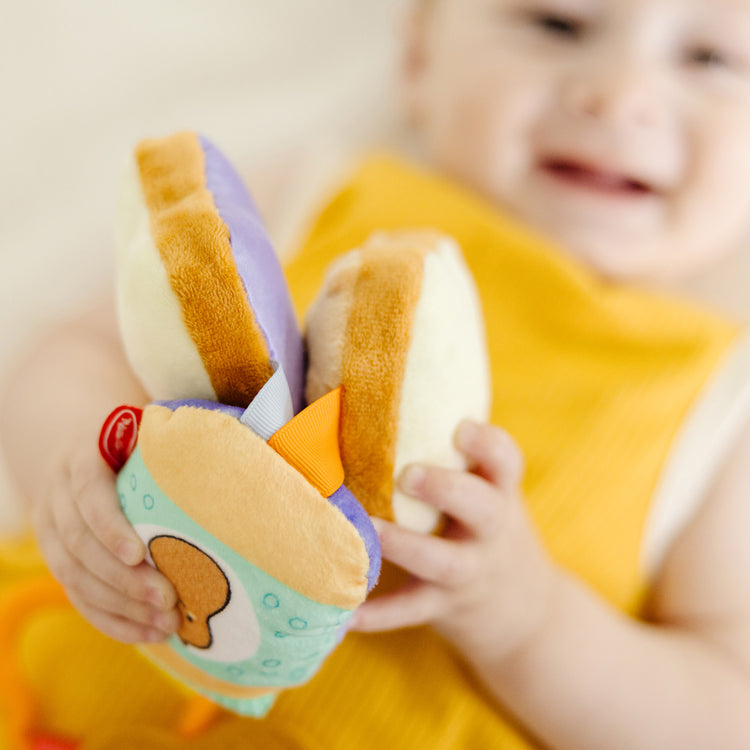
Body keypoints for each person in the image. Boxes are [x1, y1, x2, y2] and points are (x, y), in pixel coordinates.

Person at [2, 0, 750, 747]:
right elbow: (73, 354)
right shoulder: (320, 190)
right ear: (420, 56)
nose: (620, 95)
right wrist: (76, 465)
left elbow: (722, 715)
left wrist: (531, 622)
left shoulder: (718, 396)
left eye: (712, 60)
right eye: (557, 25)